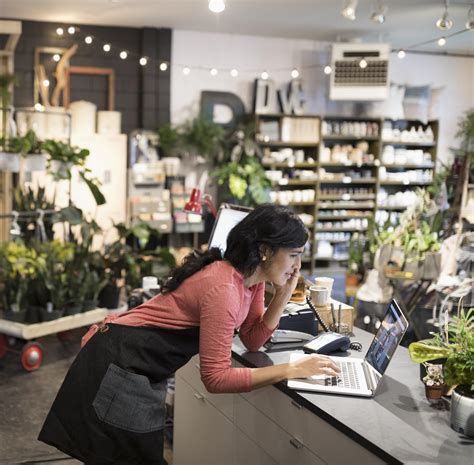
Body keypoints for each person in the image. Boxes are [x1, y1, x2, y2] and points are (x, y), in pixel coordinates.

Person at [38, 204, 340, 465]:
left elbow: (251, 339)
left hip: (134, 365)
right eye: (294, 256)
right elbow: (216, 378)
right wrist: (291, 370)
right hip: (120, 366)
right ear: (264, 250)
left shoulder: (251, 280)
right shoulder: (224, 288)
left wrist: (282, 296)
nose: (298, 267)